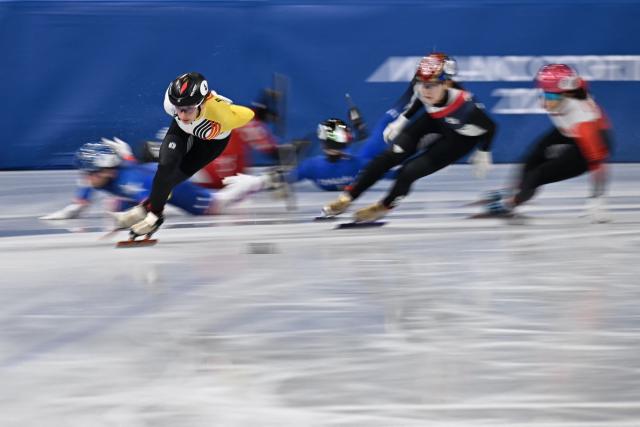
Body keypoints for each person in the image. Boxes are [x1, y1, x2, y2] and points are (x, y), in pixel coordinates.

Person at [321, 52, 496, 222]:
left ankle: (384, 206)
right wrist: (401, 120)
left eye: (432, 84)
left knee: (408, 171)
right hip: (434, 120)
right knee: (387, 158)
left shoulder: (465, 105)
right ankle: (347, 197)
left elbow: (491, 127)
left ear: (447, 84)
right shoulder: (423, 87)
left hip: (460, 138)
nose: (425, 89)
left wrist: (484, 150)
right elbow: (419, 99)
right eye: (421, 82)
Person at [112, 72, 254, 238]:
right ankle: (154, 215)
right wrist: (185, 115)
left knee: (174, 178)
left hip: (211, 142)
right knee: (165, 168)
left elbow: (248, 114)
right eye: (179, 109)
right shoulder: (170, 104)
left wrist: (228, 108)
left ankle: (147, 209)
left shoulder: (220, 116)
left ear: (202, 103)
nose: (183, 115)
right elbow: (182, 114)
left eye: (188, 109)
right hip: (181, 130)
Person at [480, 63, 612, 222]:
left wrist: (597, 198)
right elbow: (580, 83)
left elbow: (598, 164)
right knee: (532, 156)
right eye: (544, 93)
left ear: (566, 94)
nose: (547, 102)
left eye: (552, 97)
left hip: (591, 142)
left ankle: (511, 204)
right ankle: (515, 189)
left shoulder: (582, 120)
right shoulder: (567, 89)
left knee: (538, 174)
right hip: (566, 130)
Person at [41, 140, 270, 220]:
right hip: (151, 173)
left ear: (108, 171)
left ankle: (255, 183)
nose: (87, 178)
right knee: (116, 204)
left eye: (91, 172)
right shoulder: (100, 176)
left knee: (214, 207)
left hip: (171, 186)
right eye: (86, 172)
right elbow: (86, 186)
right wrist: (74, 208)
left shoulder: (128, 181)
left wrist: (132, 224)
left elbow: (151, 207)